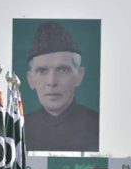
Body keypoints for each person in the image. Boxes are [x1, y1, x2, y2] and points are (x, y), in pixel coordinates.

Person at [24, 21, 99, 152]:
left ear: (79, 76)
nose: (52, 82)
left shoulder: (97, 125)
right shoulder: (19, 128)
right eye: (42, 71)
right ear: (30, 80)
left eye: (62, 70)